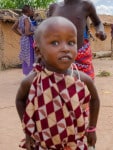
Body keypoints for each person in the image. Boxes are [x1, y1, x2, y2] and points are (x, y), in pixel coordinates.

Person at [15, 16, 100, 150]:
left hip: (74, 144)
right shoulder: (33, 81)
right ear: (38, 50)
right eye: (55, 43)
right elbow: (19, 100)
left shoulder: (82, 79)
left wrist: (92, 128)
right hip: (44, 144)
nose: (65, 48)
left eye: (71, 42)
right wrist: (28, 131)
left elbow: (94, 100)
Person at [47, 0, 107, 80]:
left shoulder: (86, 5)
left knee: (85, 85)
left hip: (81, 53)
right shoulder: (54, 7)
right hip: (58, 55)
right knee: (60, 85)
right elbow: (46, 27)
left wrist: (101, 31)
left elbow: (98, 23)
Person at [12, 5, 35, 75]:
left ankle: (26, 73)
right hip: (28, 40)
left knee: (25, 56)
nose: (33, 11)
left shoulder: (20, 18)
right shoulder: (26, 19)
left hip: (23, 40)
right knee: (30, 56)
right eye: (31, 10)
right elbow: (27, 33)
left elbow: (13, 28)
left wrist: (21, 35)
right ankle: (30, 74)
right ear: (28, 12)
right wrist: (36, 31)